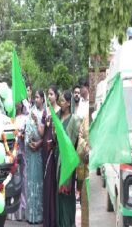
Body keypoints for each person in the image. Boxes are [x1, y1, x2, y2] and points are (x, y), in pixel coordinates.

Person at [56, 90, 81, 227]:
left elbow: (77, 141)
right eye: (60, 101)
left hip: (68, 160)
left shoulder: (74, 120)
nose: (61, 103)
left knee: (67, 191)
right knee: (59, 192)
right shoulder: (59, 119)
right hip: (58, 158)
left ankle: (68, 222)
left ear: (68, 103)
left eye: (63, 101)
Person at [25, 90, 45, 224]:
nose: (36, 100)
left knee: (39, 182)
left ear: (43, 99)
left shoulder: (45, 113)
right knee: (30, 182)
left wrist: (39, 143)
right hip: (31, 152)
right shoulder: (30, 113)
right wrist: (29, 141)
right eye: (35, 97)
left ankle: (38, 215)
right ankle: (30, 215)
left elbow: (45, 134)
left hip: (40, 153)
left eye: (38, 97)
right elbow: (27, 129)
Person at [41, 85, 60, 227]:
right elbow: (42, 132)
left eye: (52, 94)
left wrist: (54, 143)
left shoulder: (59, 111)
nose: (49, 96)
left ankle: (54, 219)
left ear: (57, 96)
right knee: (46, 183)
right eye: (48, 94)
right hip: (44, 149)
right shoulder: (46, 111)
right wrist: (38, 122)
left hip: (54, 150)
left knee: (53, 182)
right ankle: (46, 219)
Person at [8, 103, 28, 221]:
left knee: (23, 179)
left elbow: (28, 135)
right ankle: (12, 210)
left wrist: (22, 135)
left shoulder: (26, 118)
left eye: (19, 102)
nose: (17, 104)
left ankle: (23, 209)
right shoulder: (10, 118)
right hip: (12, 153)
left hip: (22, 154)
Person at [76, 114, 90, 227]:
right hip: (86, 168)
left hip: (97, 168)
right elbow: (80, 136)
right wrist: (86, 148)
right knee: (85, 203)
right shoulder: (85, 119)